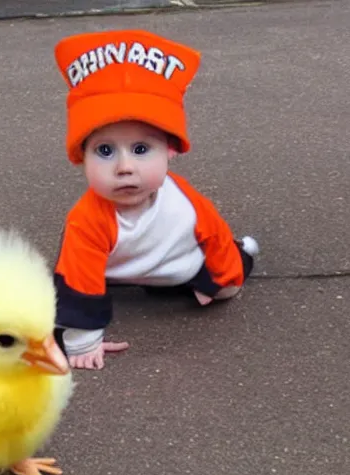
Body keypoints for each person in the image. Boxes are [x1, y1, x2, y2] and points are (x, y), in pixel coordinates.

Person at [52, 29, 259, 370]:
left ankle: (246, 253)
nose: (125, 167)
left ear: (171, 151)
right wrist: (83, 341)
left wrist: (228, 279)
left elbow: (215, 236)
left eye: (141, 149)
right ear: (80, 157)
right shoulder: (86, 218)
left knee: (227, 279)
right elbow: (78, 278)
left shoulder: (184, 201)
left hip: (177, 265)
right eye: (104, 151)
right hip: (112, 271)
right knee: (60, 286)